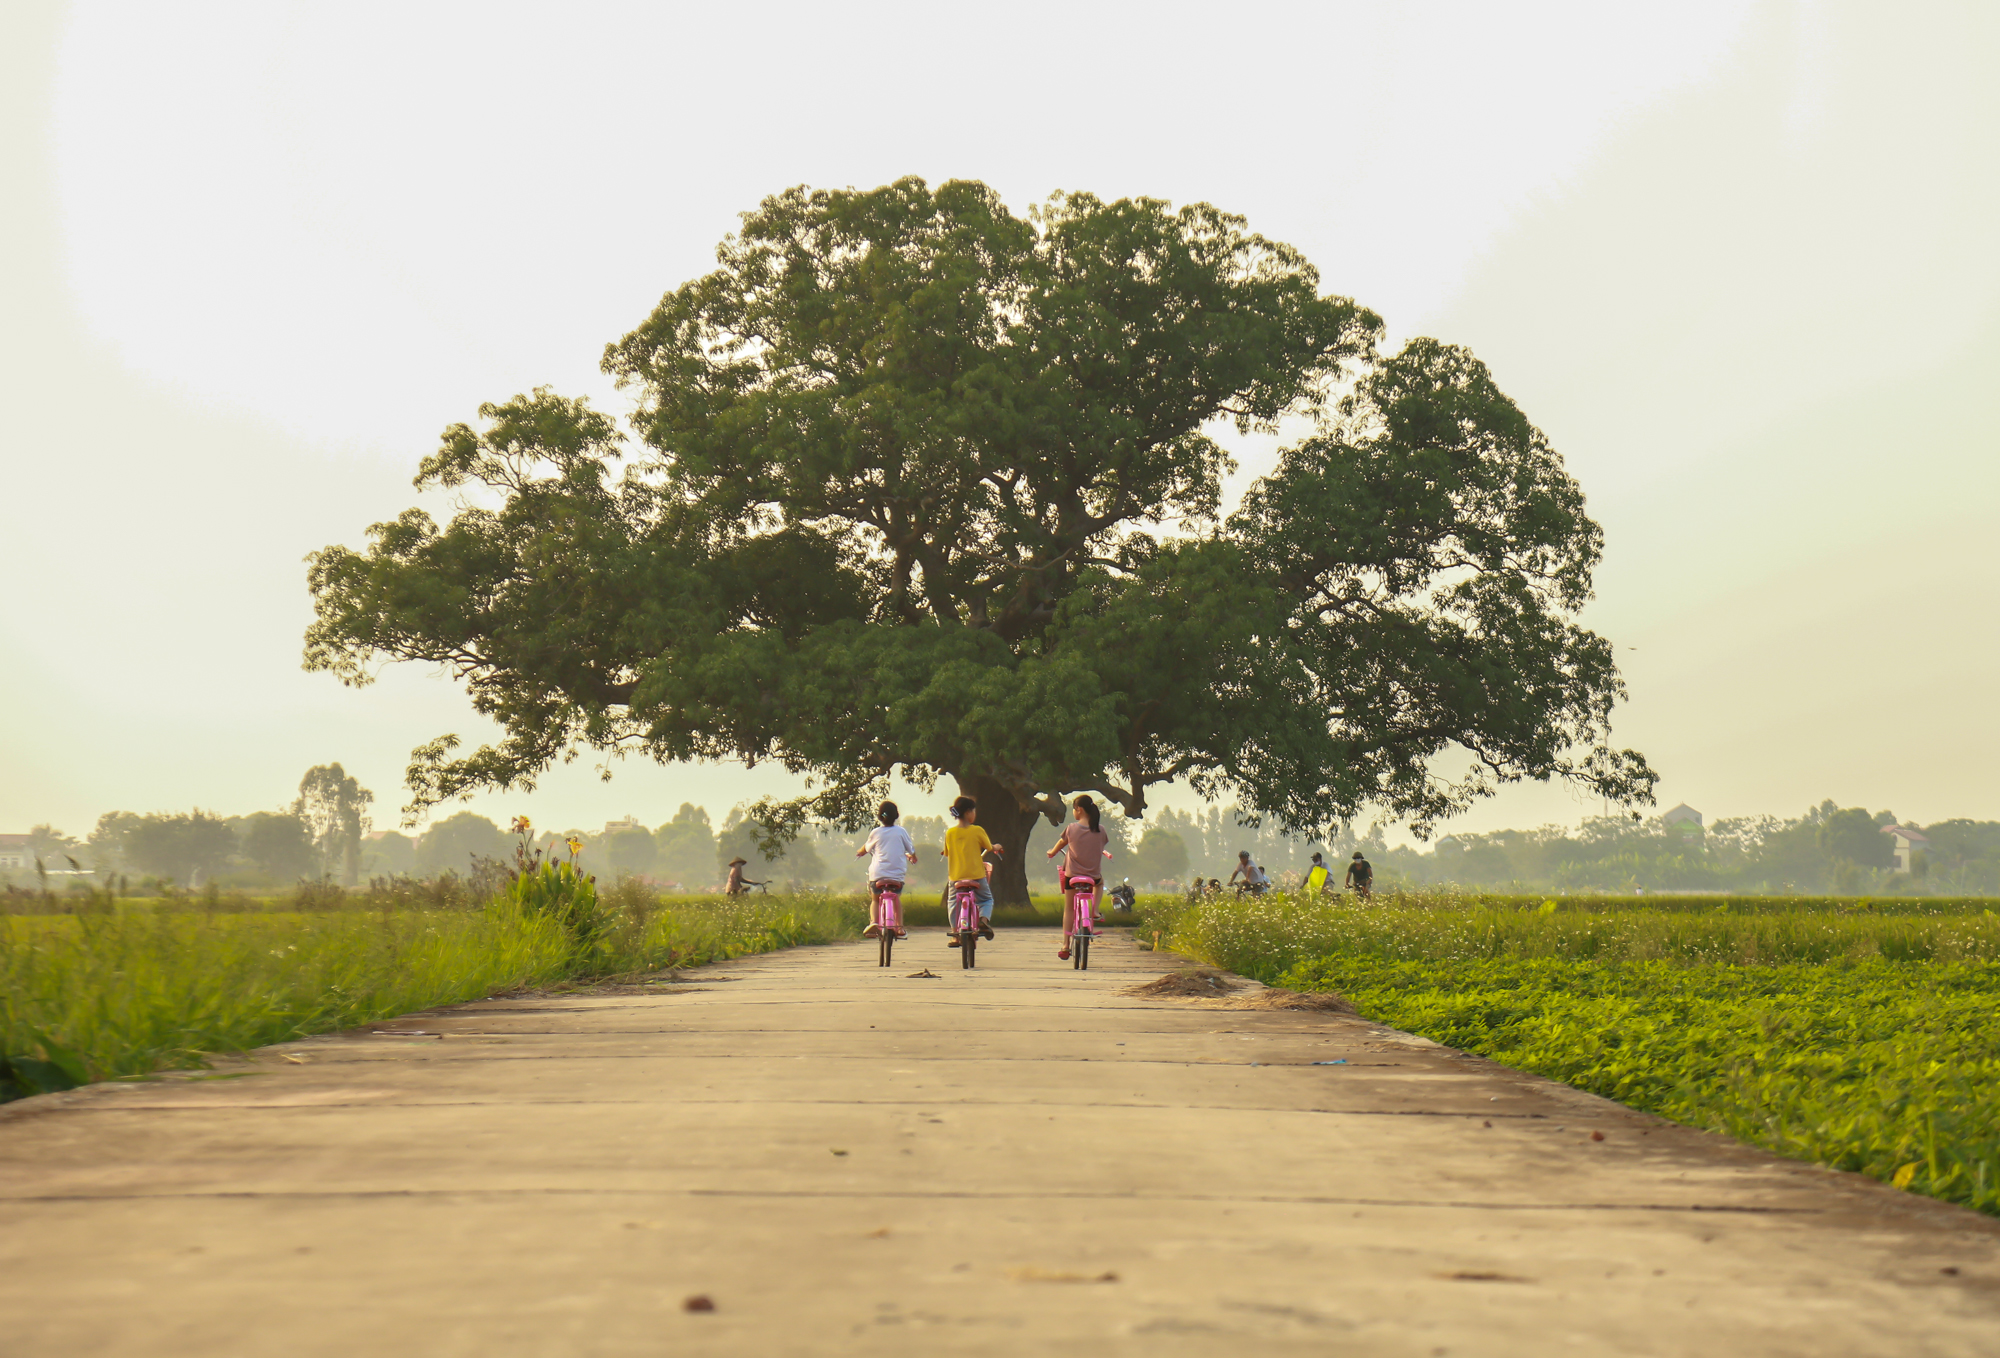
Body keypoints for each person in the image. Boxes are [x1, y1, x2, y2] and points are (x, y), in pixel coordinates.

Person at [1044, 794, 1110, 962]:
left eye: (1074, 809)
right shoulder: (1101, 830)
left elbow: (1060, 844)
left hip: (1072, 876)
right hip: (1093, 876)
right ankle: (1094, 910)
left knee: (1069, 909)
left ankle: (1065, 945)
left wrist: (1052, 852)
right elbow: (1101, 844)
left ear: (1079, 810)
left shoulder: (1072, 828)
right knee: (1100, 882)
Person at [942, 794, 1000, 944]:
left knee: (953, 902)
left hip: (956, 877)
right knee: (987, 899)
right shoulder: (977, 830)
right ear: (968, 812)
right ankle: (983, 920)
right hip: (976, 876)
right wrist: (996, 847)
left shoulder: (950, 833)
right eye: (973, 811)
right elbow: (989, 847)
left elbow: (947, 852)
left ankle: (955, 933)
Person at [856, 800, 917, 938]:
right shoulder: (901, 832)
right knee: (896, 899)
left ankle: (874, 922)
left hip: (878, 875)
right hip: (897, 876)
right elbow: (911, 849)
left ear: (880, 816)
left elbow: (866, 848)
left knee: (875, 899)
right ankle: (900, 927)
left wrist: (859, 852)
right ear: (896, 816)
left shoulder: (876, 832)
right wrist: (912, 856)